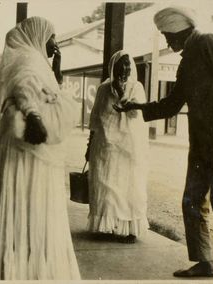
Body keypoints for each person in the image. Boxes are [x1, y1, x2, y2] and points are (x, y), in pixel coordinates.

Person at [114, 6, 213, 280]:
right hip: (201, 141)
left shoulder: (209, 42)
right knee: (192, 200)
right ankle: (204, 262)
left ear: (181, 29)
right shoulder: (187, 58)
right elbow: (173, 103)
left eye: (168, 35)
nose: (167, 41)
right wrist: (139, 106)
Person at [0, 17, 80, 280]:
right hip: (27, 149)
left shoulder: (37, 60)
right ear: (38, 36)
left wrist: (56, 67)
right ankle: (23, 269)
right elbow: (23, 86)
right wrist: (34, 116)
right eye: (52, 37)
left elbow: (43, 88)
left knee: (30, 200)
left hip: (30, 150)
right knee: (28, 198)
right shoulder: (28, 60)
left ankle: (22, 264)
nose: (55, 44)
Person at [86, 50, 149, 244]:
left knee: (128, 187)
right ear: (113, 67)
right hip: (105, 146)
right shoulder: (103, 89)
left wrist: (122, 92)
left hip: (128, 147)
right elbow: (96, 119)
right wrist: (89, 145)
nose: (126, 69)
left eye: (128, 65)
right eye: (121, 65)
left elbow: (135, 116)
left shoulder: (136, 88)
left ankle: (128, 228)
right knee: (105, 184)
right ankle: (105, 227)